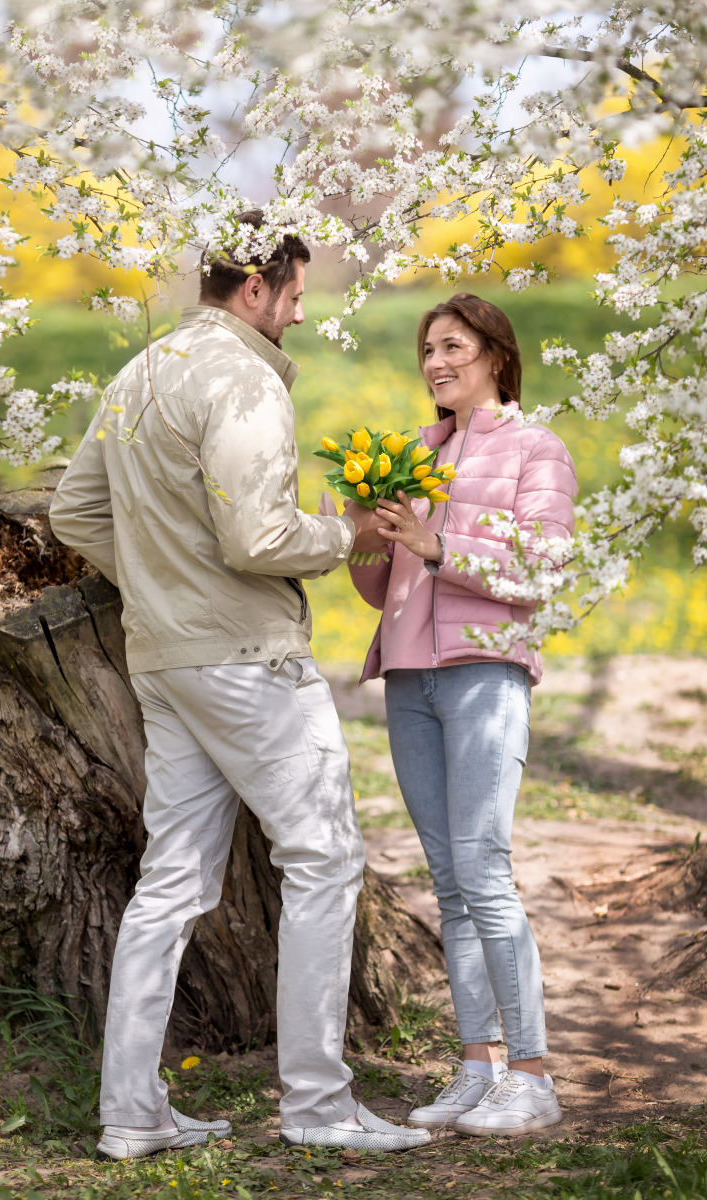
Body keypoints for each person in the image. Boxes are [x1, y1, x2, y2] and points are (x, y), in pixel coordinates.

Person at [49, 211, 429, 1159]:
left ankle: (131, 1114)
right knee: (325, 859)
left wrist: (158, 580)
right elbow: (257, 539)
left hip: (165, 657)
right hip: (249, 662)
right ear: (254, 288)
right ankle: (318, 1104)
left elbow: (74, 510)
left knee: (171, 882)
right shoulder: (243, 381)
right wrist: (352, 535)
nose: (301, 314)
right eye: (296, 294)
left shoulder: (142, 373)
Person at [348, 292, 577, 1137]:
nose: (437, 362)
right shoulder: (412, 452)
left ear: (496, 355)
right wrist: (368, 534)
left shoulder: (536, 449)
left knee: (484, 870)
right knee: (449, 883)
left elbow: (544, 565)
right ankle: (478, 1067)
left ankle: (533, 1073)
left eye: (454, 346)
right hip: (410, 678)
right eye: (428, 350)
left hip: (486, 672)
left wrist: (438, 542)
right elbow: (382, 585)